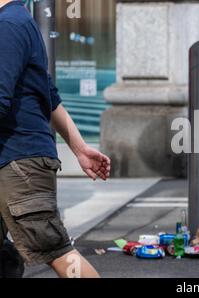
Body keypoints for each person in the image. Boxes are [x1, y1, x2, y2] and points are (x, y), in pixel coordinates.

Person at [0, 0, 110, 278]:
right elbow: (49, 95)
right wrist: (80, 148)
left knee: (58, 253)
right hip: (17, 158)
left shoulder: (8, 25)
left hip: (18, 162)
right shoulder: (19, 21)